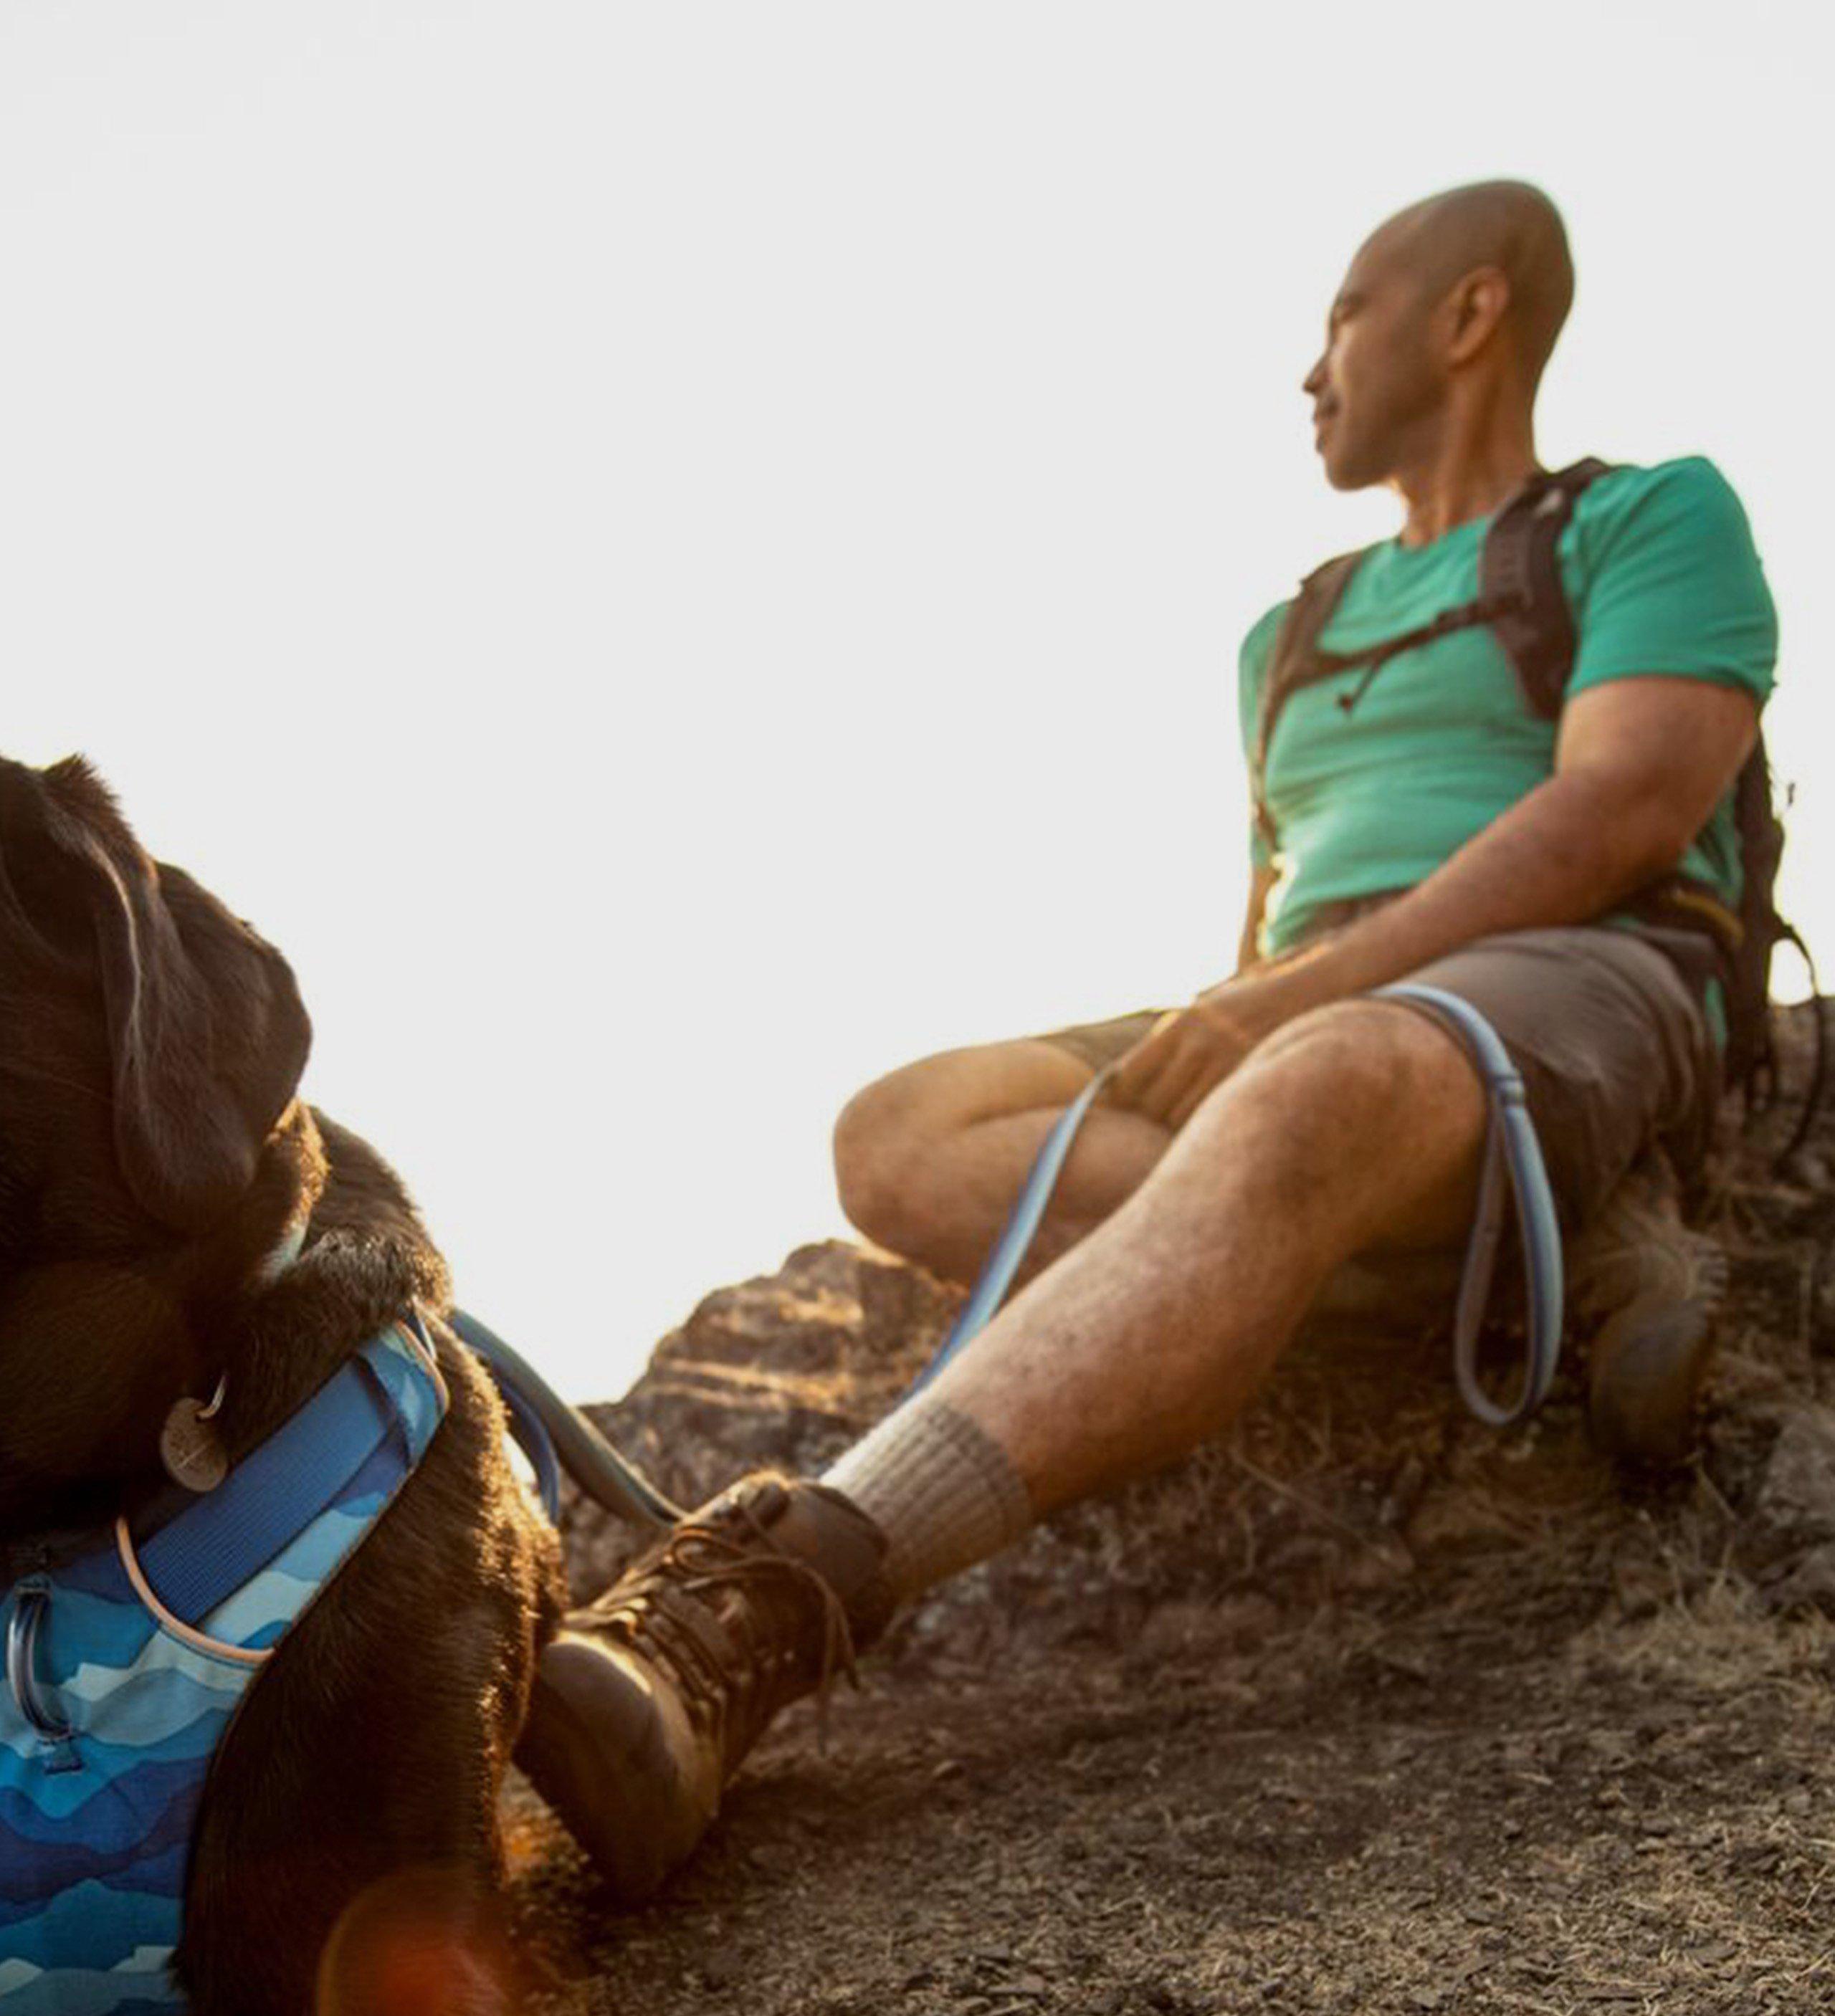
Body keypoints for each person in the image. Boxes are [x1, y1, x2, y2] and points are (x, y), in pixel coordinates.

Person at [519, 181, 1780, 1903]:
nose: (1308, 366)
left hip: (1574, 961)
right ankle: (1452, 1250)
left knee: (1316, 1084)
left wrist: (1294, 1015)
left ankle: (776, 1602)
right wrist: (1269, 1010)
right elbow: (1271, 917)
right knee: (900, 1127)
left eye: (1342, 314)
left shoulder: (1648, 516)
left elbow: (1627, 801)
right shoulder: (1290, 630)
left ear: (1467, 315)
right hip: (1324, 1009)